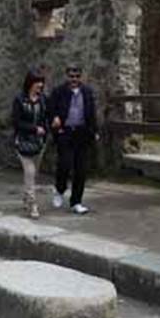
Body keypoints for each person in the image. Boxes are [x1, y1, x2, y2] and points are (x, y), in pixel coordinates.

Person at [47, 64, 99, 215]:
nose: (74, 79)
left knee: (81, 170)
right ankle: (59, 189)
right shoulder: (59, 91)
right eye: (71, 76)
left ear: (81, 77)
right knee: (64, 164)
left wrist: (94, 131)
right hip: (65, 132)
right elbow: (50, 109)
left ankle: (76, 202)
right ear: (67, 76)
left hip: (82, 133)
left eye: (77, 76)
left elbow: (91, 112)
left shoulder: (87, 92)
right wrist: (55, 119)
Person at [12, 69, 48, 219]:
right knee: (30, 172)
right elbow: (16, 122)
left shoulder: (43, 99)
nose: (40, 85)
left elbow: (46, 117)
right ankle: (33, 204)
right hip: (23, 141)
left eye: (41, 82)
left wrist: (49, 127)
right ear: (30, 83)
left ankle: (27, 196)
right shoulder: (20, 100)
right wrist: (34, 129)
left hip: (39, 142)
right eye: (37, 82)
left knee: (34, 174)